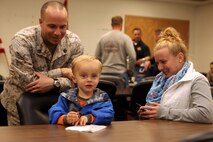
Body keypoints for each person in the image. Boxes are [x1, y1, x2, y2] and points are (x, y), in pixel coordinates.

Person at [0, 1, 84, 125]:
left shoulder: (74, 42)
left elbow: (79, 79)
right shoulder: (22, 41)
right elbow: (29, 82)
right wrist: (62, 72)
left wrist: (54, 83)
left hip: (60, 109)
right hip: (20, 107)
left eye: (63, 27)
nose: (57, 32)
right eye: (52, 26)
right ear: (40, 22)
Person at [138, 27, 213, 123]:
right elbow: (159, 112)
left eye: (163, 62)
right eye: (157, 63)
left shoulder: (197, 80)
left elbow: (206, 114)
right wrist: (148, 113)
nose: (160, 67)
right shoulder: (159, 81)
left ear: (180, 57)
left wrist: (165, 112)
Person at [48, 55, 114, 125]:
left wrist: (90, 117)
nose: (89, 80)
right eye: (83, 76)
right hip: (69, 134)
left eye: (94, 76)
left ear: (99, 78)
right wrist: (65, 118)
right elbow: (53, 113)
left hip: (94, 134)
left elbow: (108, 114)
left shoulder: (102, 97)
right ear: (74, 79)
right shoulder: (66, 97)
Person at [95, 16, 136, 87]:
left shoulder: (102, 38)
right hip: (120, 74)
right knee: (122, 97)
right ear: (121, 25)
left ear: (111, 25)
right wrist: (130, 71)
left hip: (104, 74)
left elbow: (96, 57)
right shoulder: (125, 38)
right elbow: (132, 57)